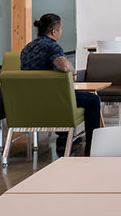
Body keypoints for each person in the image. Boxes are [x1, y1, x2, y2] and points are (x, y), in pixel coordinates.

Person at [19, 12, 101, 154]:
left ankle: (64, 138)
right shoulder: (52, 46)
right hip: (50, 97)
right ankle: (92, 145)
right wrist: (73, 72)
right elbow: (64, 66)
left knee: (62, 95)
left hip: (29, 99)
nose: (61, 32)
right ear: (54, 31)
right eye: (61, 28)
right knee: (93, 100)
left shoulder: (28, 47)